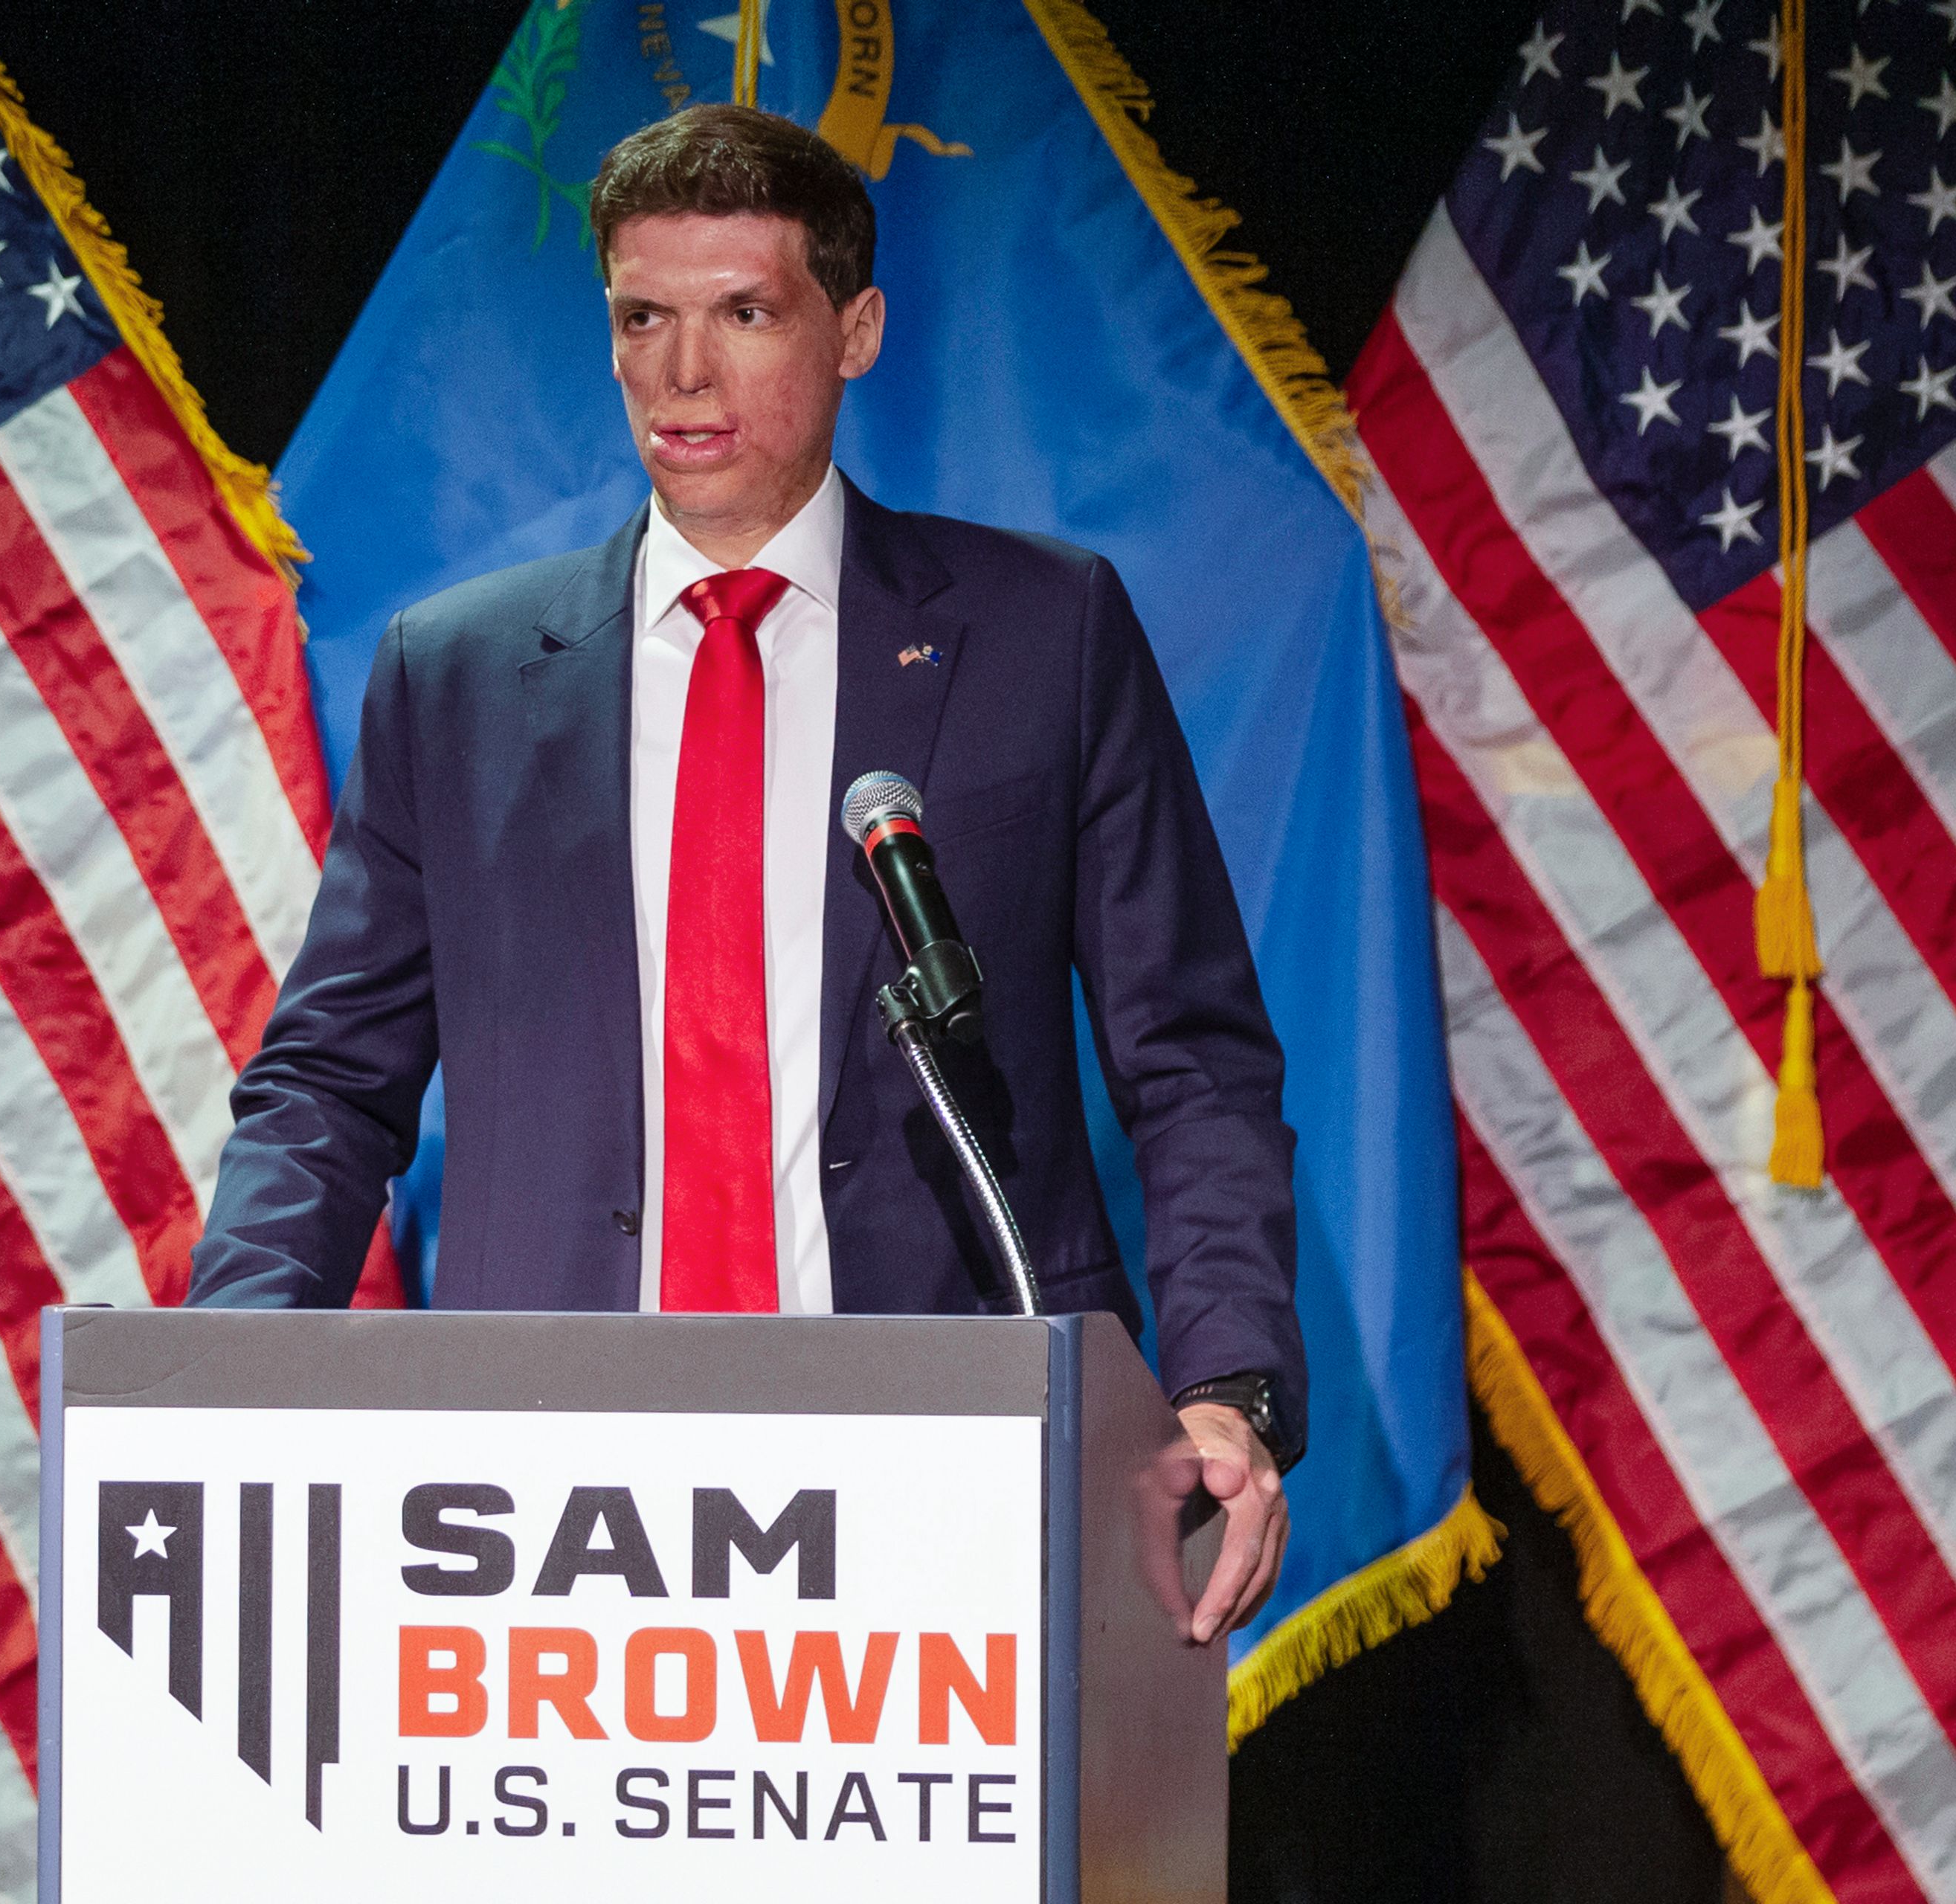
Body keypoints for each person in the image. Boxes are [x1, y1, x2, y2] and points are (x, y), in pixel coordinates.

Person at [187, 104, 1304, 1642]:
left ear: (855, 331)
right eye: (643, 317)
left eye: (743, 314)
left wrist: (1228, 1384)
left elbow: (1191, 1058)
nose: (681, 373)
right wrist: (226, 1363)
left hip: (955, 1460)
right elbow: (328, 1079)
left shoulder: (1044, 634)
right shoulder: (455, 677)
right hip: (548, 1489)